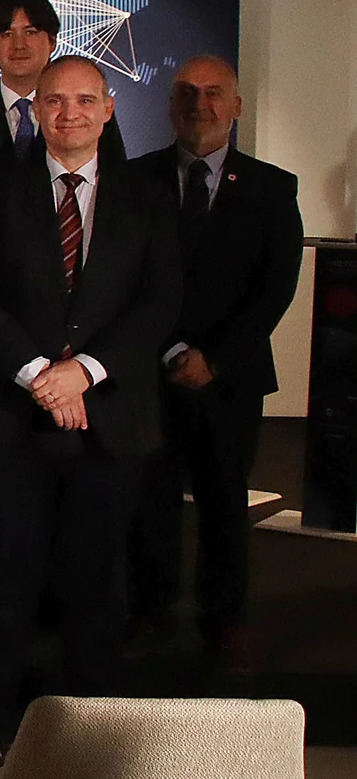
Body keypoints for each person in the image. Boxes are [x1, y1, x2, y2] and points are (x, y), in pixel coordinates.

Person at [0, 56, 180, 779]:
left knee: (97, 587)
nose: (70, 112)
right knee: (3, 583)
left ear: (109, 107)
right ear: (36, 109)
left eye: (85, 100)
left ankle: (90, 744)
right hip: (12, 426)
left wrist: (85, 371)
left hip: (111, 422)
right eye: (55, 100)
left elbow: (161, 303)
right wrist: (40, 374)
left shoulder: (148, 195)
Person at [129, 55, 303, 667]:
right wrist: (174, 350)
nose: (198, 104)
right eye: (185, 92)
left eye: (212, 93)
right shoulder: (134, 179)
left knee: (225, 501)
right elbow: (124, 280)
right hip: (150, 373)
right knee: (149, 500)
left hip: (232, 377)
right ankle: (150, 611)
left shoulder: (272, 188)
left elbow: (275, 288)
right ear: (169, 105)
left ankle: (223, 618)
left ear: (235, 106)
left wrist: (217, 358)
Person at [0, 0, 125, 253]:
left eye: (31, 32)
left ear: (53, 41)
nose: (19, 44)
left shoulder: (85, 115)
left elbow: (116, 195)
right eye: (7, 34)